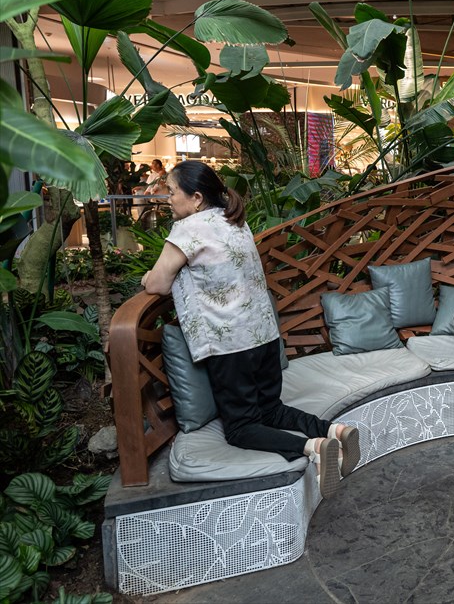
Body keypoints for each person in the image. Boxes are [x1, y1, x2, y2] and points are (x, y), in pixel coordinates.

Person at [141, 160, 360, 498]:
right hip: (265, 338)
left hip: (231, 346)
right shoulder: (234, 221)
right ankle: (336, 430)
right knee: (271, 409)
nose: (166, 198)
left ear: (196, 198)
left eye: (171, 192)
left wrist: (145, 279)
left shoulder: (189, 228)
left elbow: (156, 283)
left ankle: (313, 447)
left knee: (241, 429)